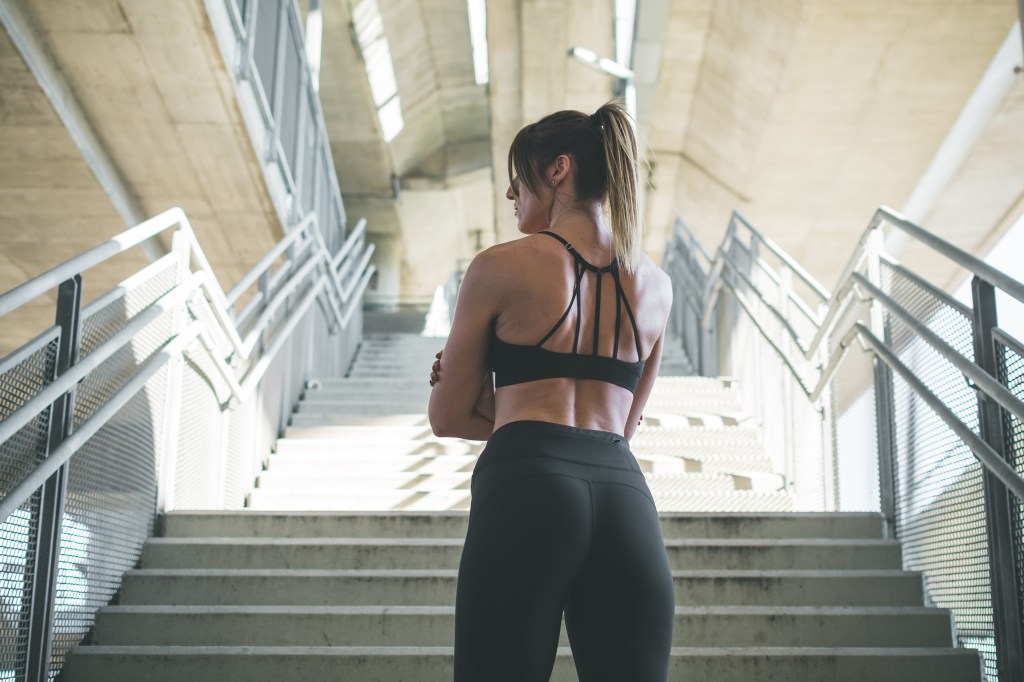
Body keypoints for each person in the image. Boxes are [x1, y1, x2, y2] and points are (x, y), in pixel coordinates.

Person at [427, 100, 675, 682]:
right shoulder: (657, 286)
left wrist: (511, 411)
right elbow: (623, 429)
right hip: (624, 498)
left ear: (558, 170)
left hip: (526, 487)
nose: (512, 194)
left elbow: (447, 415)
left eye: (518, 178)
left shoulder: (498, 267)